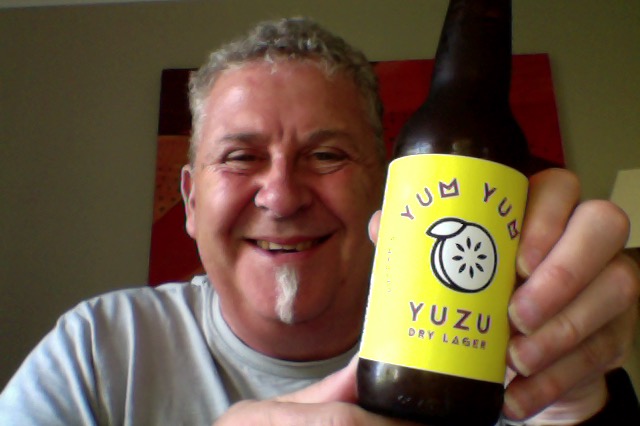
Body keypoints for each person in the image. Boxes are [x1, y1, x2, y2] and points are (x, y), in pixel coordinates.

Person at [1, 17, 638, 426]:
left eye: (327, 155)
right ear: (190, 202)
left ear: (385, 188)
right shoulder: (98, 349)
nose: (281, 197)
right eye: (241, 157)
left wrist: (585, 406)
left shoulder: (493, 344)